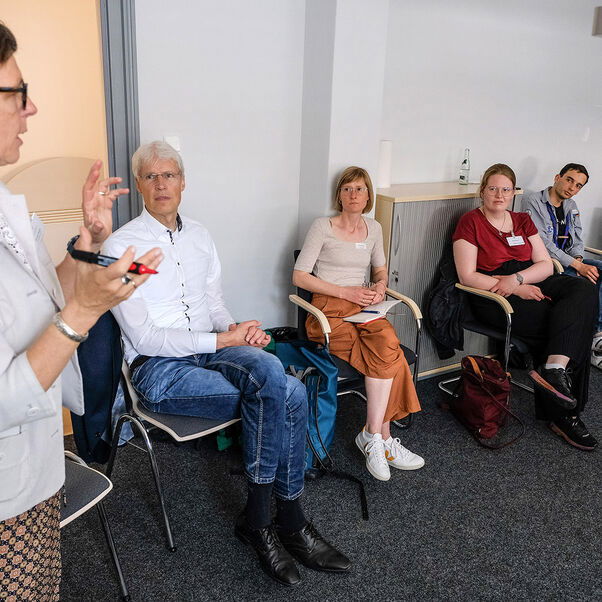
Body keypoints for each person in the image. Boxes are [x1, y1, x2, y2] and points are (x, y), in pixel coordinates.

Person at [103, 141, 350, 587]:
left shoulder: (199, 236)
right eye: (151, 176)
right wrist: (224, 339)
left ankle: (270, 521)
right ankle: (279, 521)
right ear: (139, 184)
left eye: (169, 174)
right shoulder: (123, 247)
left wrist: (238, 330)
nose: (161, 184)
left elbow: (213, 304)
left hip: (212, 349)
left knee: (282, 383)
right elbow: (145, 338)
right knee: (288, 393)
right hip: (159, 369)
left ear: (183, 182)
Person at [0, 22, 161, 599]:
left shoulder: (6, 204)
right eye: (18, 93)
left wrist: (88, 242)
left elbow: (42, 293)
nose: (31, 108)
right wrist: (85, 312)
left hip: (37, 464)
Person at [452, 163, 598, 451]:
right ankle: (565, 415)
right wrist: (514, 287)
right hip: (492, 292)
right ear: (482, 191)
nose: (499, 195)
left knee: (583, 288)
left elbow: (545, 264)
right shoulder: (470, 222)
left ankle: (554, 369)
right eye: (493, 188)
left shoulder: (522, 220)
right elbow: (467, 276)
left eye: (505, 189)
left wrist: (519, 279)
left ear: (514, 193)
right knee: (569, 325)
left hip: (526, 276)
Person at [293, 166, 424, 482]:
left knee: (387, 343)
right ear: (339, 195)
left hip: (365, 306)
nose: (353, 194)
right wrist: (344, 291)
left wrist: (379, 286)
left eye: (360, 189)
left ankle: (373, 435)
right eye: (347, 189)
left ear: (368, 196)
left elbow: (380, 270)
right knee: (390, 357)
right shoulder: (322, 227)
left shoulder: (374, 228)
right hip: (328, 311)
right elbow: (299, 276)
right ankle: (381, 438)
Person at [522, 164, 602, 368]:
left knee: (598, 270)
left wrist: (579, 261)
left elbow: (577, 239)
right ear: (558, 177)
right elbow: (542, 244)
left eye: (578, 185)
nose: (572, 188)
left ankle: (596, 336)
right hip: (547, 263)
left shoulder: (571, 205)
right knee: (583, 285)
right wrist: (576, 266)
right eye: (569, 180)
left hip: (570, 262)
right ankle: (581, 342)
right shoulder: (534, 201)